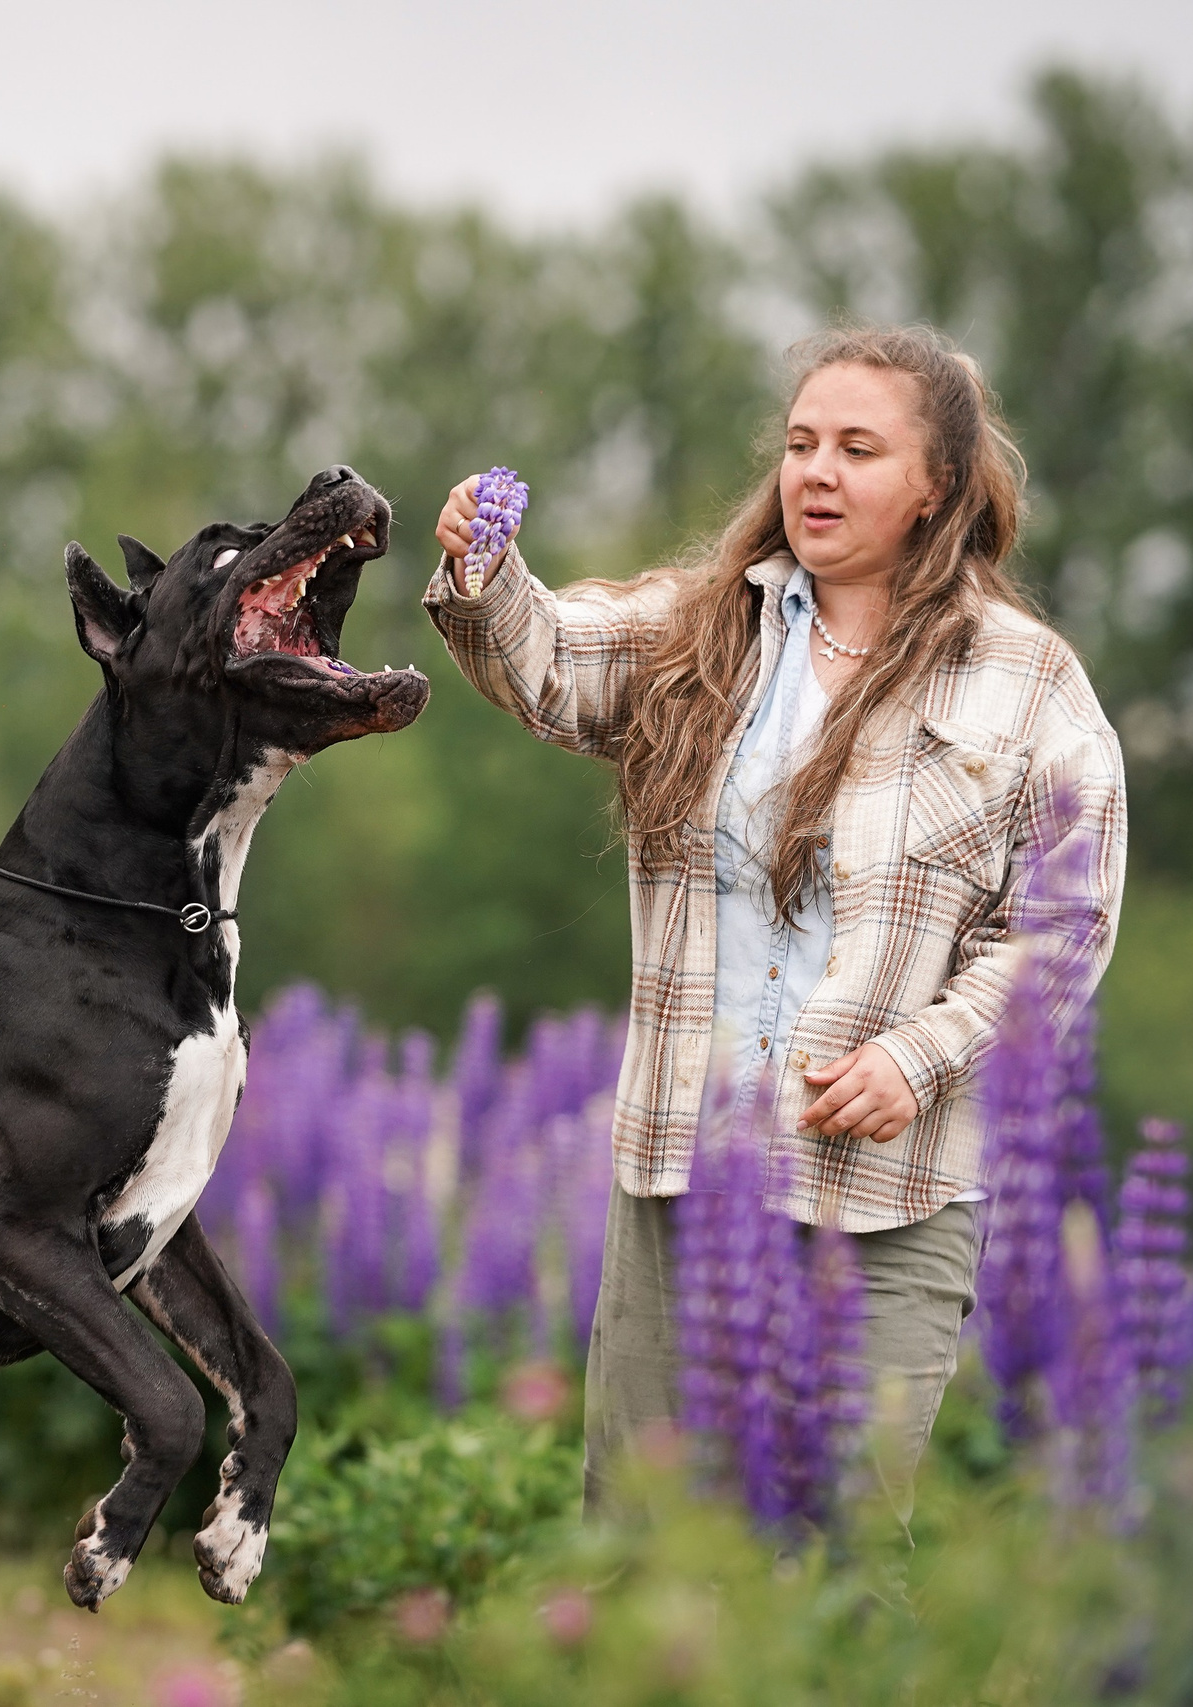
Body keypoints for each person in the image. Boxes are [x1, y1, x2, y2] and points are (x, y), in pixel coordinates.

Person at [423, 324, 1125, 1512]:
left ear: (935, 487)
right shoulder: (702, 630)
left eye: (858, 448)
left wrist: (922, 1056)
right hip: (683, 1174)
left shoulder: (1024, 680)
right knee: (642, 1535)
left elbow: (1065, 924)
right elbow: (548, 664)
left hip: (888, 1193)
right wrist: (488, 573)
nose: (816, 472)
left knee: (843, 1548)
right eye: (801, 444)